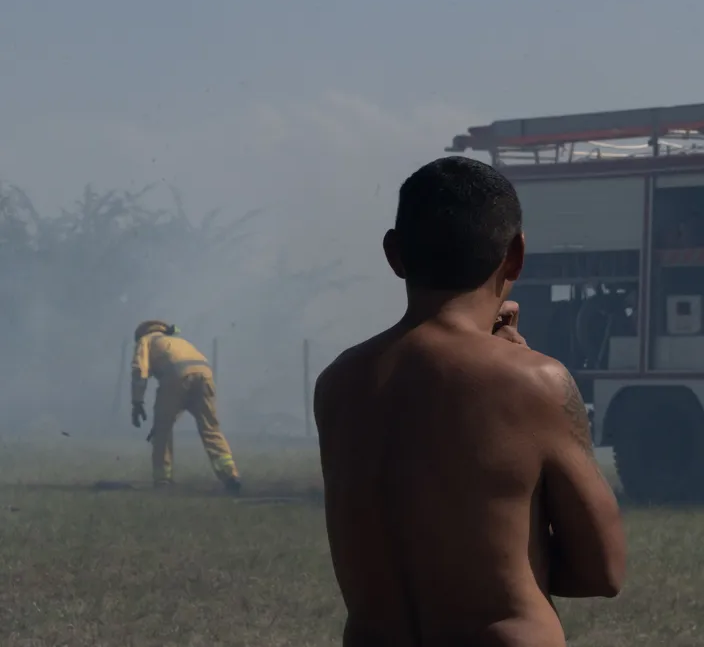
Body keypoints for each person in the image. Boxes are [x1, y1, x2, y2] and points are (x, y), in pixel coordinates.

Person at [313, 156, 626, 647]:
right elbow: (603, 570)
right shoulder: (535, 382)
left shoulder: (338, 383)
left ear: (394, 254)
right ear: (516, 255)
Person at [131, 320, 241, 495]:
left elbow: (139, 371)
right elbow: (189, 380)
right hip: (205, 375)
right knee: (210, 428)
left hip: (176, 377)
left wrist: (137, 402)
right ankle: (230, 475)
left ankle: (163, 480)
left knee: (162, 431)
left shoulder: (146, 341)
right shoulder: (178, 341)